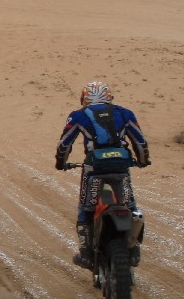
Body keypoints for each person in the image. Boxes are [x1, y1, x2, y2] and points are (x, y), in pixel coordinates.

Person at [54, 80, 150, 269]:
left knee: (86, 210)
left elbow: (64, 144)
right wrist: (142, 160)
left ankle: (87, 254)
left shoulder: (78, 116)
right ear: (109, 96)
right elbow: (140, 142)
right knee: (130, 205)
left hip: (93, 170)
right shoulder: (124, 113)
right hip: (120, 168)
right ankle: (133, 250)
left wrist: (61, 163)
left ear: (84, 99)